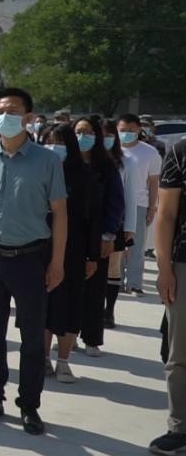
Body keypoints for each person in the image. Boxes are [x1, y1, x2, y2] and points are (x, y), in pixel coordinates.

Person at [0, 87, 66, 436]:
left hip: (30, 258)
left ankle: (29, 405)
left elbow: (60, 213)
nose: (5, 116)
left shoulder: (48, 161)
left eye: (13, 110)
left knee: (32, 338)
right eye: (0, 110)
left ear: (28, 118)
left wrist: (57, 262)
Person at [42, 121, 122, 383]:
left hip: (74, 250)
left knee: (70, 305)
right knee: (42, 307)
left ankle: (63, 361)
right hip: (39, 248)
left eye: (60, 143)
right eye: (49, 142)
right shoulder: (37, 171)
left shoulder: (84, 176)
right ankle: (43, 358)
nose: (54, 147)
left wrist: (92, 255)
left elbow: (94, 218)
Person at [150, 135, 186, 456]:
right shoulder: (180, 150)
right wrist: (164, 268)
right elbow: (166, 214)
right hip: (184, 263)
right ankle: (180, 427)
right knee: (180, 354)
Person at [119, 114, 162, 296]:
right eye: (122, 130)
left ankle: (134, 283)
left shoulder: (149, 152)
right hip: (116, 204)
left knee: (136, 246)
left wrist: (152, 207)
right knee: (117, 245)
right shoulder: (111, 150)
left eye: (130, 130)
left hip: (139, 203)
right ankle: (117, 279)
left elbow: (153, 182)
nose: (126, 133)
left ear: (138, 129)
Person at [101, 119, 138, 328]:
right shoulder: (87, 159)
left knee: (113, 267)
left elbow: (131, 196)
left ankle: (109, 311)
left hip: (116, 220)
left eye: (109, 135)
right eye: (101, 134)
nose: (105, 138)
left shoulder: (127, 161)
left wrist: (130, 227)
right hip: (92, 221)